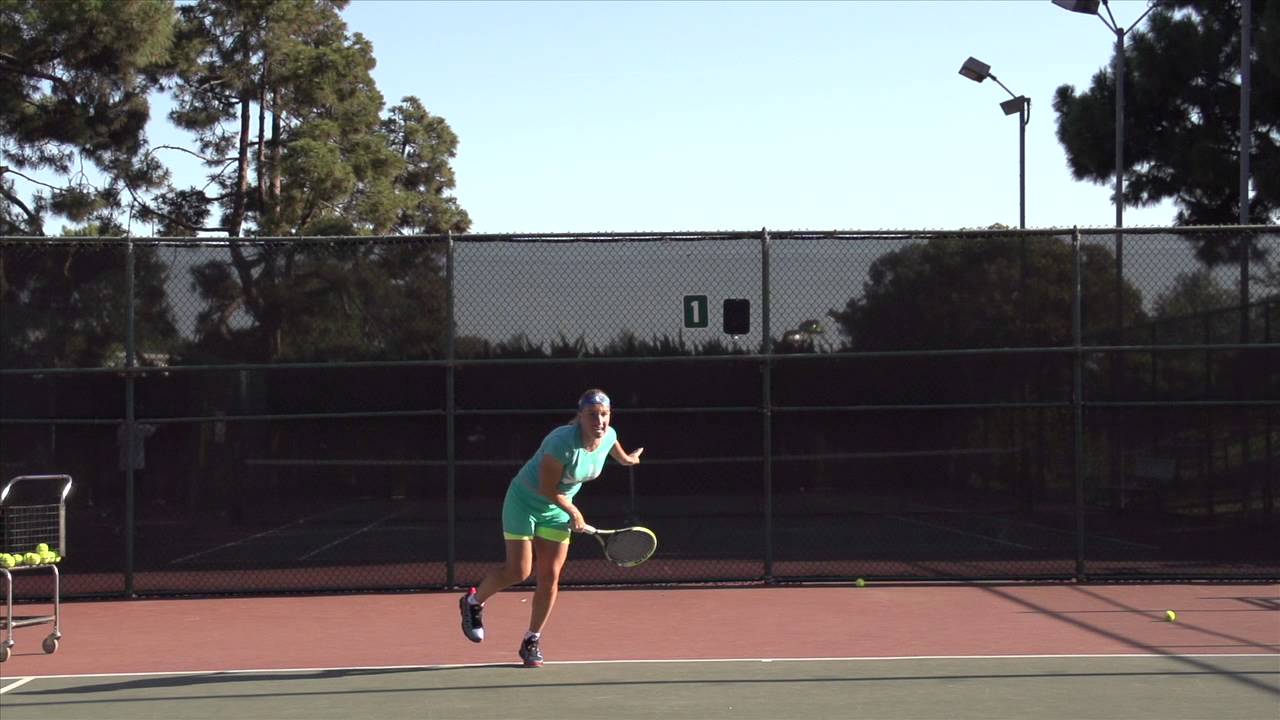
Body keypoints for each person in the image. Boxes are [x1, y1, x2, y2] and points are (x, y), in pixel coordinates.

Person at [459, 388, 643, 667]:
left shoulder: (609, 435)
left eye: (604, 414)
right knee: (519, 571)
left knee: (550, 576)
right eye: (592, 415)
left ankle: (531, 640)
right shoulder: (561, 443)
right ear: (580, 416)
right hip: (524, 501)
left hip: (557, 510)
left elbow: (614, 450)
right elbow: (547, 489)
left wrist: (628, 459)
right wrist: (573, 511)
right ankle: (473, 603)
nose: (599, 421)